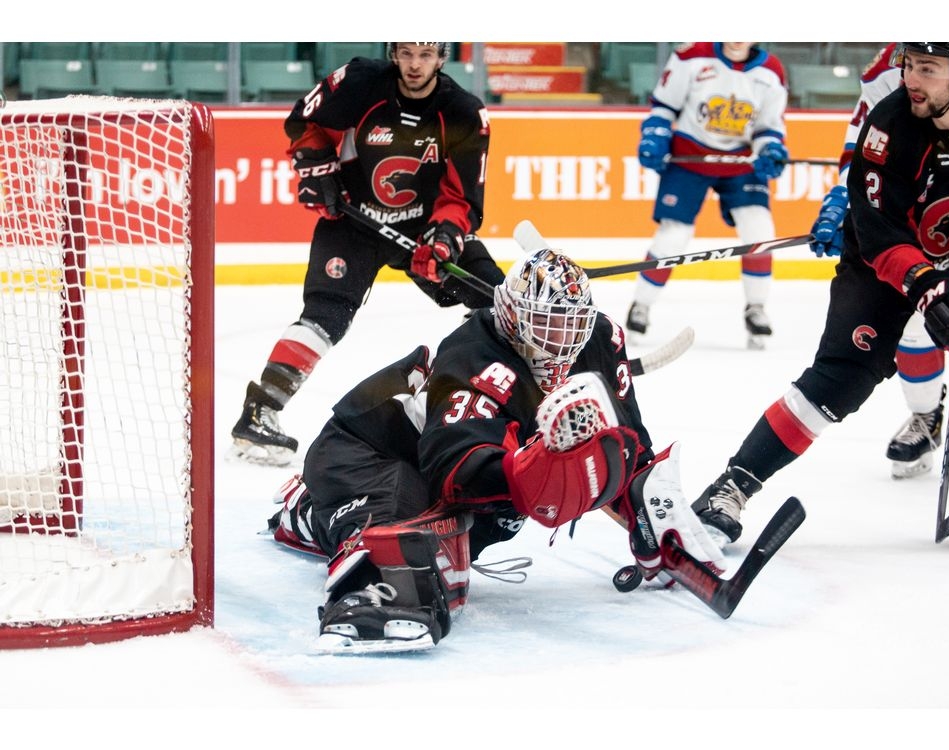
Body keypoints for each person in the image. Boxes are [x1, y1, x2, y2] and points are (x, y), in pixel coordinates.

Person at [267, 249, 727, 653]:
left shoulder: (598, 340)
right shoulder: (474, 354)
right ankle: (361, 580)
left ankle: (315, 511)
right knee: (413, 537)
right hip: (368, 451)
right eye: (548, 325)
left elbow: (625, 440)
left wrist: (649, 508)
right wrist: (538, 471)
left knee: (475, 532)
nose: (563, 343)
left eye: (572, 326)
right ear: (513, 317)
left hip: (440, 461)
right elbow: (457, 471)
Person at [692, 43, 949, 548]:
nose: (911, 79)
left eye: (927, 69)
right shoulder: (889, 124)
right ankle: (731, 487)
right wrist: (928, 287)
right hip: (885, 264)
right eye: (909, 66)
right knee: (841, 379)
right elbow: (880, 234)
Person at [231, 42, 506, 466]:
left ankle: (499, 409)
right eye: (407, 53)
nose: (415, 64)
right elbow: (305, 122)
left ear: (442, 58)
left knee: (496, 299)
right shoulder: (359, 82)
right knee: (326, 315)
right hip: (353, 224)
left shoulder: (463, 113)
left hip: (422, 231)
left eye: (426, 55)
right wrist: (316, 165)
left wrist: (444, 239)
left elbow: (462, 198)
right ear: (394, 53)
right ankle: (259, 412)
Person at [811, 42, 949, 480]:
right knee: (919, 318)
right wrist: (847, 199)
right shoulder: (892, 64)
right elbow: (865, 141)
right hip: (923, 209)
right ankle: (926, 414)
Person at [625, 42, 790, 350]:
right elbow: (664, 106)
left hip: (741, 161)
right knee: (673, 236)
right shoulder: (691, 55)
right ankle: (641, 305)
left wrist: (771, 150)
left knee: (759, 230)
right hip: (690, 156)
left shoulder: (771, 71)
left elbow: (768, 128)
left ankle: (756, 308)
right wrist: (655, 135)